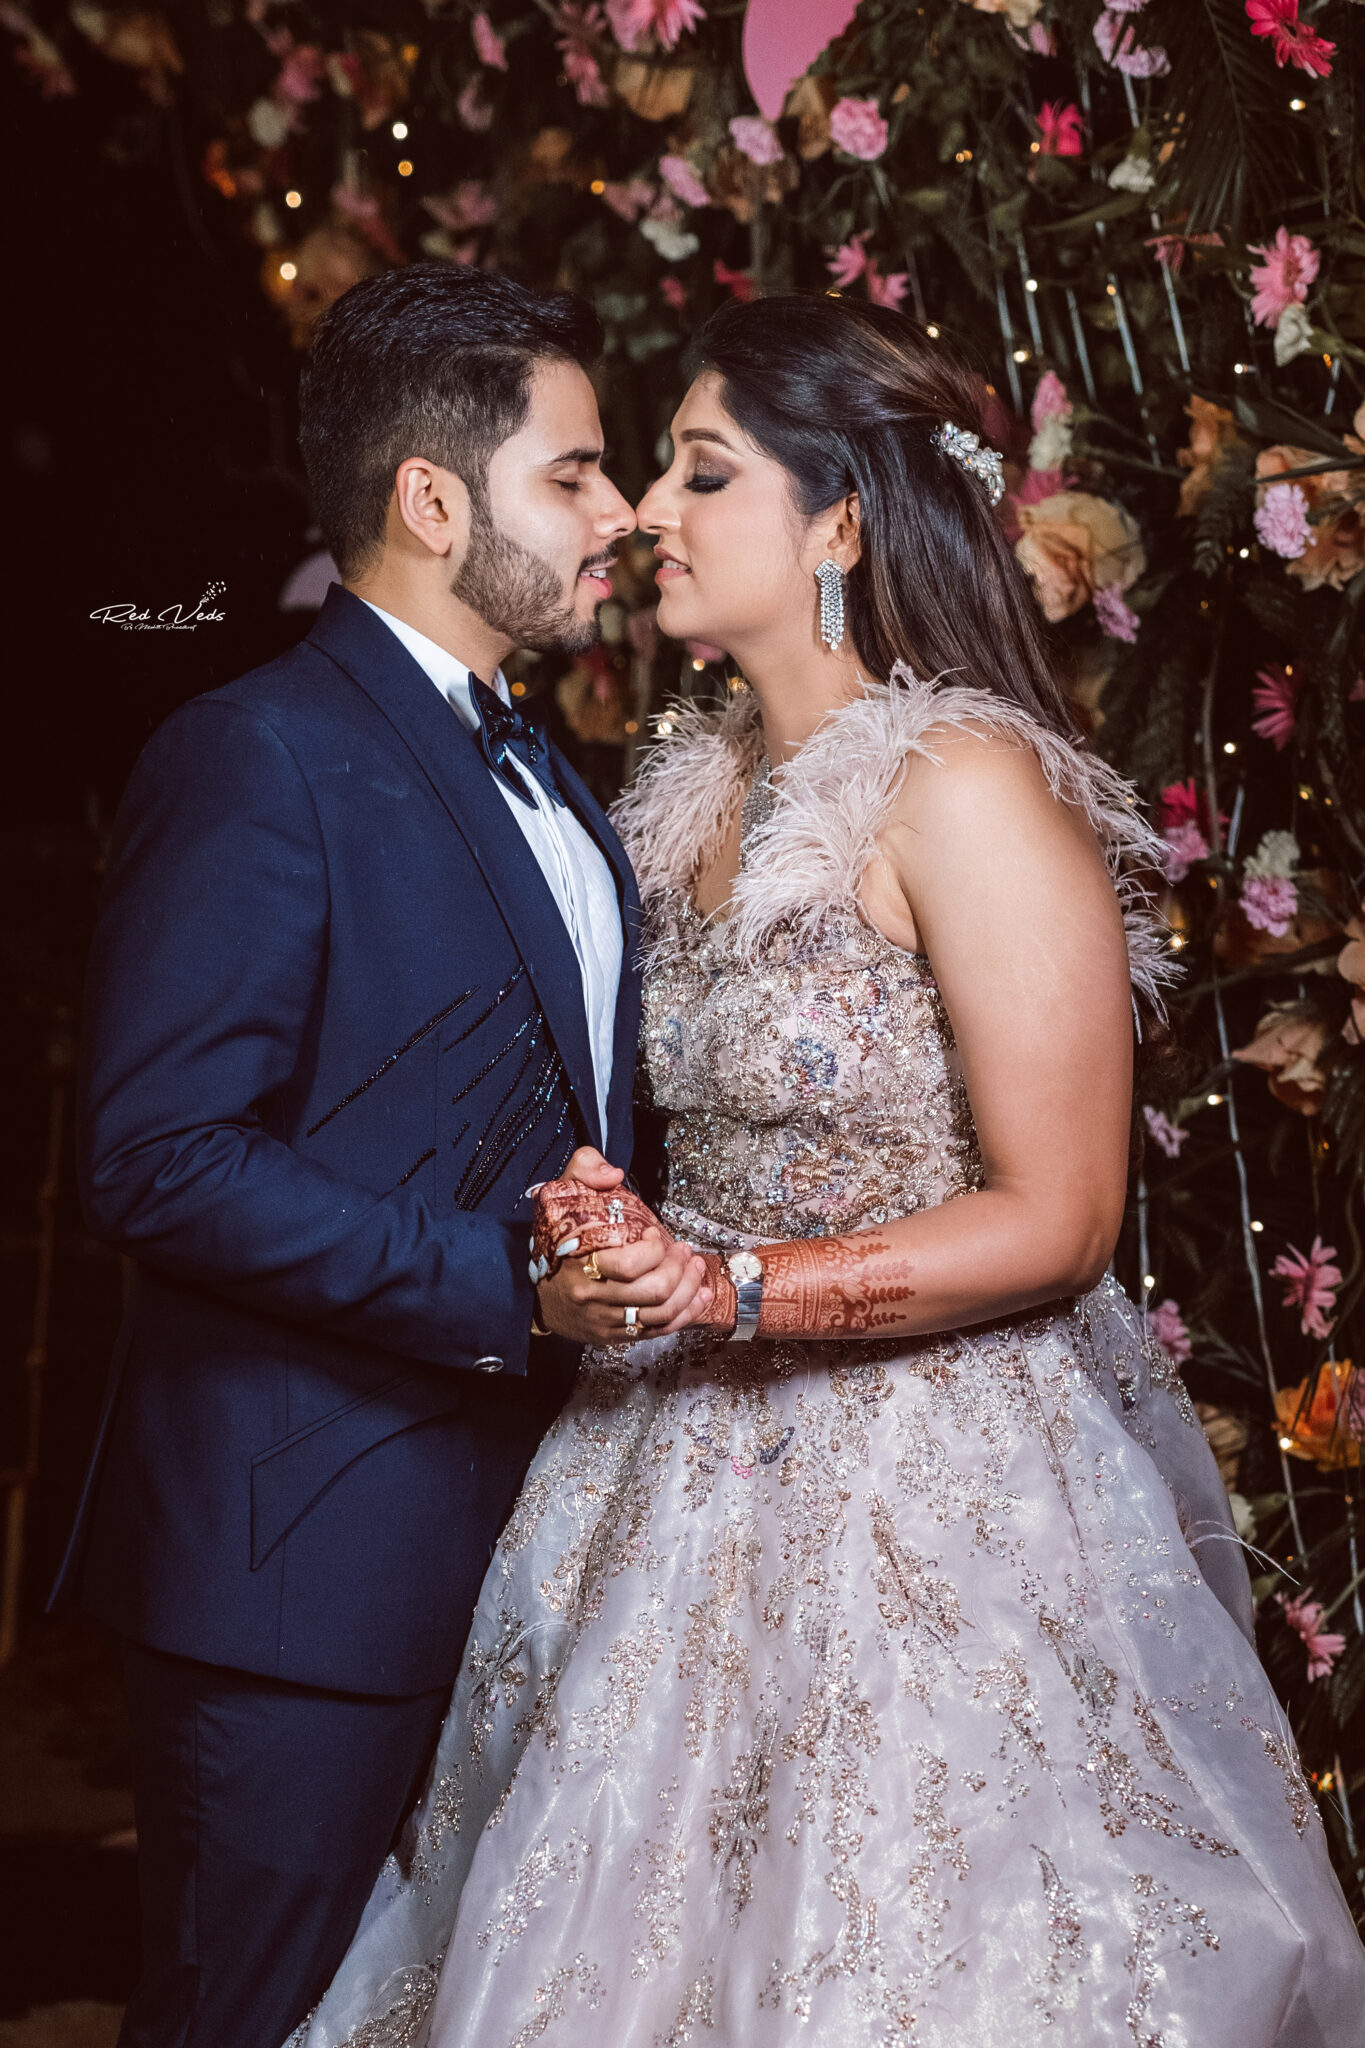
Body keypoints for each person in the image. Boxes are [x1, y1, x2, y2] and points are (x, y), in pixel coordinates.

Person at [287, 295, 1365, 2047]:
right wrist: (611, 1214)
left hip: (931, 1494)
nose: (643, 508)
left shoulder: (962, 787)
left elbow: (1066, 1214)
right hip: (654, 1478)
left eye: (700, 472)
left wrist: (738, 1288)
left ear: (840, 524)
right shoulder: (675, 790)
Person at [51, 262, 713, 2048]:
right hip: (298, 1568)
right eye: (572, 473)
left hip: (520, 1545)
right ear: (434, 500)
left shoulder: (553, 774)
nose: (619, 516)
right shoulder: (257, 751)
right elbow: (159, 1156)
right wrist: (510, 1282)